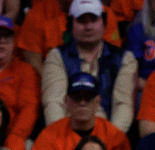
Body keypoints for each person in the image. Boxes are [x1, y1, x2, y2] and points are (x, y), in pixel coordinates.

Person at [42, 0, 137, 133]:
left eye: (93, 20)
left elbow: (123, 105)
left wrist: (109, 140)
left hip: (109, 133)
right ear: (71, 25)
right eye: (82, 21)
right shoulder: (56, 56)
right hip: (67, 133)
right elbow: (53, 104)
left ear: (104, 23)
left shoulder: (125, 58)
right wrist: (62, 140)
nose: (88, 26)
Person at [0, 16, 40, 150]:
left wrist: (15, 135)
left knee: (16, 145)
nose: (1, 42)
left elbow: (29, 108)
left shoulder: (25, 71)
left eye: (7, 37)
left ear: (14, 42)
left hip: (13, 133)